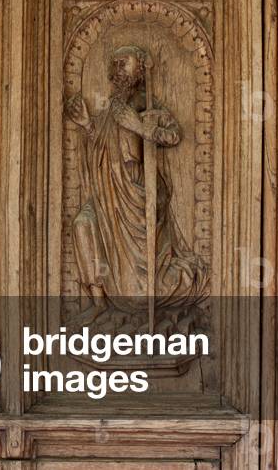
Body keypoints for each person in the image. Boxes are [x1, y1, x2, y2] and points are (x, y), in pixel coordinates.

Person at [66, 46, 208, 321]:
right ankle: (98, 301)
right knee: (82, 225)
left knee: (137, 292)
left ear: (140, 68)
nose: (119, 69)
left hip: (138, 194)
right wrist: (87, 125)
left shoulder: (146, 103)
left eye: (125, 63)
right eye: (115, 64)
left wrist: (139, 126)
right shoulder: (113, 106)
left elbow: (174, 136)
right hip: (108, 192)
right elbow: (102, 146)